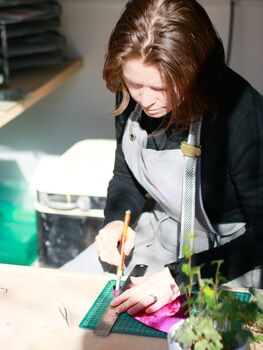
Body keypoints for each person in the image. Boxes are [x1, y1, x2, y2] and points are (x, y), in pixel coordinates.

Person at [63, 0, 263, 315]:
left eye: (160, 87)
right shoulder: (133, 96)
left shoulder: (241, 113)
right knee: (66, 295)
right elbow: (125, 177)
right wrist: (116, 221)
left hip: (229, 256)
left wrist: (181, 277)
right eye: (134, 83)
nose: (145, 99)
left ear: (194, 72)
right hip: (161, 234)